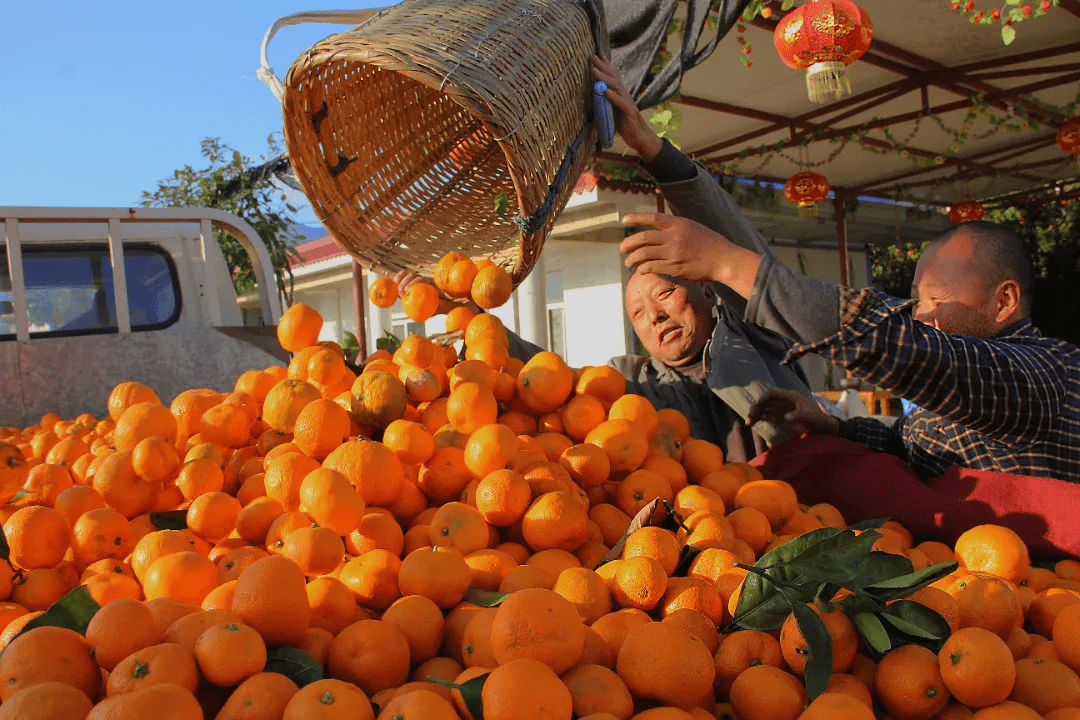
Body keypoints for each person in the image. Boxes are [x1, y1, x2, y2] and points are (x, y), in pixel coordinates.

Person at [387, 57, 817, 461]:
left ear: (705, 288)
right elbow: (557, 381)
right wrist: (478, 321)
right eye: (639, 314)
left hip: (821, 509)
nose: (656, 317)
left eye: (665, 294)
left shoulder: (756, 337)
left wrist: (650, 148)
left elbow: (743, 255)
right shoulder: (637, 383)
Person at [618, 203, 1080, 483]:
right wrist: (834, 427)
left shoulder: (1044, 376)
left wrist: (726, 265)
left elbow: (901, 346)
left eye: (935, 298)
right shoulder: (636, 378)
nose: (920, 315)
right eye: (915, 301)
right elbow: (913, 443)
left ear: (1004, 301)